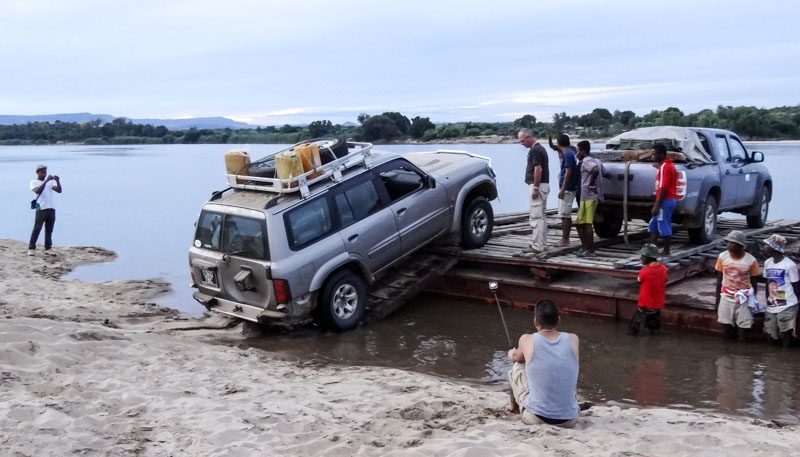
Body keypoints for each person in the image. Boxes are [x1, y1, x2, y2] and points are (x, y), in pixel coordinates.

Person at [507, 299, 579, 427]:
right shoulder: (573, 339)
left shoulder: (526, 339)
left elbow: (516, 358)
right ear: (558, 320)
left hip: (536, 417)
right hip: (570, 419)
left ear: (535, 321)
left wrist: (511, 353)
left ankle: (513, 407)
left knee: (517, 366)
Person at [715, 230, 760, 340]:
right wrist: (717, 301)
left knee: (743, 328)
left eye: (732, 243)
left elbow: (754, 281)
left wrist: (753, 300)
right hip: (726, 296)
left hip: (744, 297)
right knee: (725, 326)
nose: (728, 245)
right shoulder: (722, 257)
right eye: (728, 242)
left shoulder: (751, 260)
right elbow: (719, 279)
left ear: (740, 246)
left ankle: (741, 352)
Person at [761, 234, 799, 347]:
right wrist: (767, 301)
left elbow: (796, 286)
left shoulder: (790, 265)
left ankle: (785, 357)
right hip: (772, 303)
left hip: (787, 305)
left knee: (785, 335)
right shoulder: (768, 263)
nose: (764, 247)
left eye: (767, 245)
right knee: (770, 334)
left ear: (774, 248)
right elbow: (767, 283)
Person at [518, 128, 550, 254]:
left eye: (522, 140)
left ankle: (537, 246)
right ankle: (542, 243)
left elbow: (538, 169)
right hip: (544, 185)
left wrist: (535, 187)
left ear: (529, 137)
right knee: (542, 216)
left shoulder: (535, 150)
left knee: (536, 217)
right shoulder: (541, 148)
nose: (521, 143)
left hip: (538, 186)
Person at [630, 243, 668, 335]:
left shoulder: (644, 271)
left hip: (645, 305)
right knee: (655, 328)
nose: (640, 258)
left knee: (634, 328)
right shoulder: (664, 269)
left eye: (642, 256)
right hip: (658, 304)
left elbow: (639, 281)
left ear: (648, 258)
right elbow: (665, 279)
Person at [648, 143, 678, 255]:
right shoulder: (665, 165)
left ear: (661, 154)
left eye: (654, 154)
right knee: (653, 225)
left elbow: (664, 188)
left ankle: (666, 251)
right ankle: (652, 251)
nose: (653, 157)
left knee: (664, 224)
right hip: (664, 200)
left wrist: (657, 205)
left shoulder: (665, 167)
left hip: (665, 201)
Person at [28, 164, 62, 256]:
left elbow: (59, 190)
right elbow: (37, 191)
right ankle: (31, 248)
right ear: (38, 173)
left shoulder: (50, 183)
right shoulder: (33, 182)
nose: (44, 174)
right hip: (41, 208)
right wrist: (46, 180)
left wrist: (58, 181)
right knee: (37, 228)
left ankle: (48, 248)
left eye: (45, 172)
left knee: (49, 230)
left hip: (51, 208)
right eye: (42, 172)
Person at [575, 140, 601, 257]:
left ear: (583, 151)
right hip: (585, 197)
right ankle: (586, 248)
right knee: (579, 223)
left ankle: (590, 250)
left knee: (587, 224)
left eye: (578, 151)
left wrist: (591, 184)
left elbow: (595, 169)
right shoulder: (592, 159)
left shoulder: (586, 161)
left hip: (589, 197)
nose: (576, 153)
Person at [555, 134, 579, 247]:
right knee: (565, 214)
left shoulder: (567, 154)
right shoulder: (571, 152)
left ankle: (565, 239)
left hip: (568, 188)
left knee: (565, 214)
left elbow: (568, 172)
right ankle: (565, 239)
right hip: (570, 187)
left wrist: (563, 189)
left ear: (559, 144)